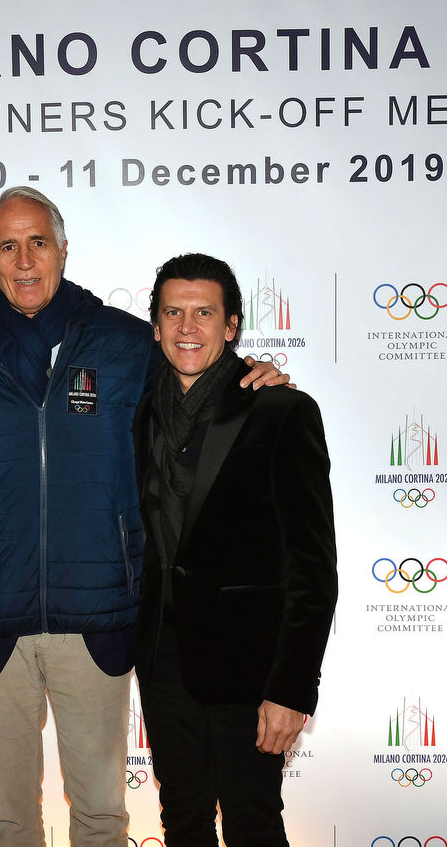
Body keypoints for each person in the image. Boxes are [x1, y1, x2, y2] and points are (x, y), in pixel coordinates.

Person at [0, 188, 289, 847]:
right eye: (8, 245)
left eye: (39, 241)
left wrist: (252, 376)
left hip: (97, 617)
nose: (26, 259)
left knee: (100, 814)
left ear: (64, 249)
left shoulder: (127, 344)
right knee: (9, 820)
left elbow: (198, 390)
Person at [133, 253, 337, 847]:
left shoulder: (282, 411)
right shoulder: (143, 413)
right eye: (173, 312)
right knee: (183, 820)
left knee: (253, 823)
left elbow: (313, 567)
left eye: (204, 313)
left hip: (249, 671)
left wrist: (291, 689)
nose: (187, 327)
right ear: (156, 328)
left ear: (231, 327)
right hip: (162, 658)